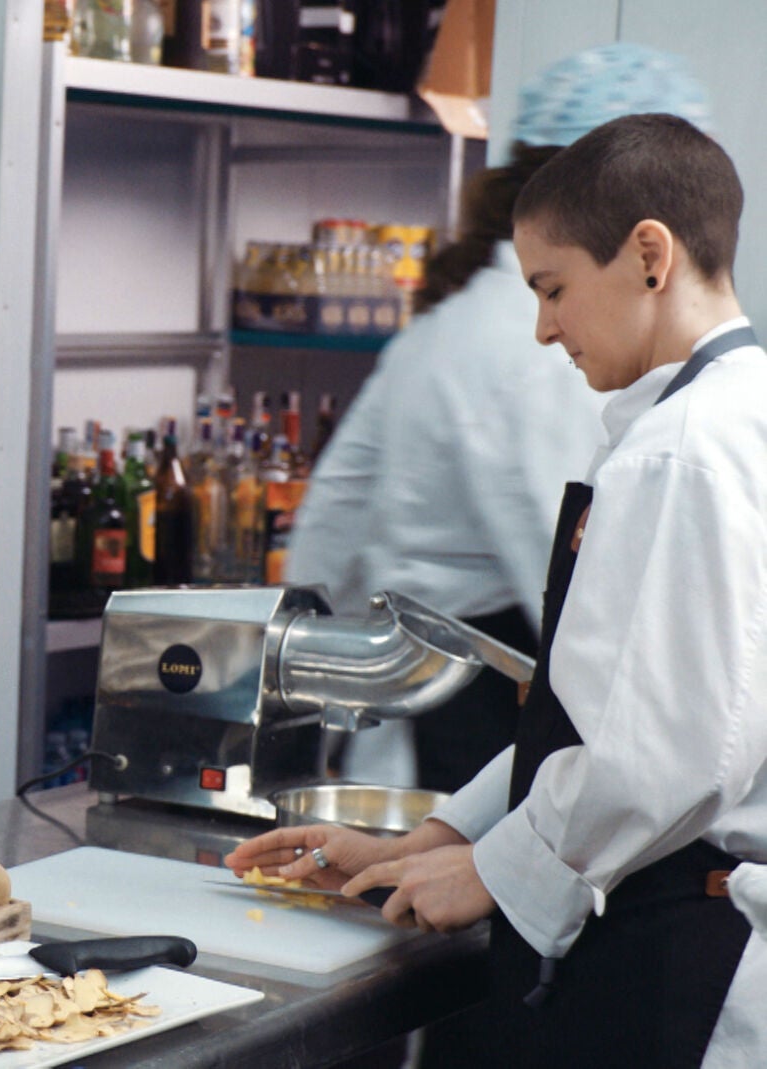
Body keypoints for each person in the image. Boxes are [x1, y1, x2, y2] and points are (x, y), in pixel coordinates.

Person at [228, 113, 766, 1067]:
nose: (544, 328)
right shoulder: (721, 415)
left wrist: (493, 867)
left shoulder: (679, 454)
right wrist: (434, 837)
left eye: (554, 289)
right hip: (669, 918)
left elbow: (663, 761)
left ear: (651, 257)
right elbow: (595, 709)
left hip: (679, 945)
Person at [287, 44, 710, 793]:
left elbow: (324, 544)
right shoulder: (536, 351)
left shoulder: (456, 325)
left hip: (434, 739)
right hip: (471, 746)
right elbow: (590, 605)